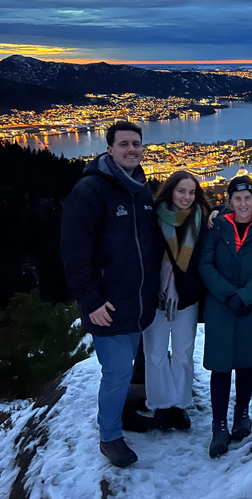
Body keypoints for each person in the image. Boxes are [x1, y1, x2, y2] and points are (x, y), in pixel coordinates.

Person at [60, 121, 160, 468]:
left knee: (127, 368)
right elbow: (74, 252)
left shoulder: (142, 190)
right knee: (116, 373)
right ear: (110, 150)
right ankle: (109, 437)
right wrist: (89, 301)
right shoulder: (90, 190)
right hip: (108, 305)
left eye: (137, 143)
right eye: (125, 144)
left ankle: (122, 417)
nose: (132, 149)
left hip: (138, 303)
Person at [199, 176, 252, 458]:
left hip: (251, 303)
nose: (243, 203)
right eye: (237, 198)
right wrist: (227, 294)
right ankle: (218, 426)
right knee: (220, 365)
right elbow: (205, 264)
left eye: (248, 198)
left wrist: (244, 296)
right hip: (221, 304)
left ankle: (241, 414)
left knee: (246, 361)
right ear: (229, 201)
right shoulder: (218, 226)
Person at [143, 171, 210, 431]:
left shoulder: (201, 220)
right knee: (156, 353)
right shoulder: (151, 218)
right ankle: (160, 406)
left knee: (183, 353)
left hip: (188, 297)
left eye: (192, 192)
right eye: (181, 191)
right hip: (157, 296)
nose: (187, 197)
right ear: (170, 190)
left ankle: (179, 405)